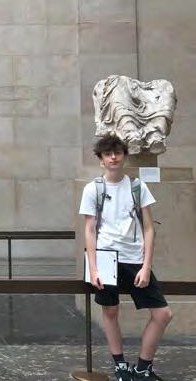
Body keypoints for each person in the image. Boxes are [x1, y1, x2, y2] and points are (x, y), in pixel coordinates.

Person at [79, 134, 172, 380]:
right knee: (110, 312)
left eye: (117, 153)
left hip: (134, 258)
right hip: (105, 258)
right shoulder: (92, 189)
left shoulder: (138, 187)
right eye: (107, 154)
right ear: (101, 159)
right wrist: (93, 268)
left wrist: (146, 265)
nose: (113, 157)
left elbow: (149, 228)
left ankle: (142, 368)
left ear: (124, 156)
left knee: (162, 314)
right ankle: (120, 366)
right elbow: (89, 230)